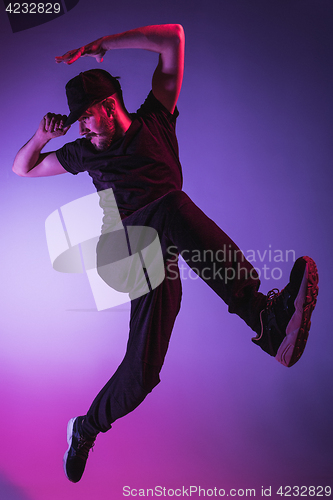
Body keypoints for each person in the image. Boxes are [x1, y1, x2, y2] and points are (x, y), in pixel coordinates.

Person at [12, 24, 318, 483]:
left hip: (164, 250)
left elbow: (172, 38)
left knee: (142, 374)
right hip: (123, 255)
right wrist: (40, 136)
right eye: (77, 123)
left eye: (87, 118)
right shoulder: (85, 153)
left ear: (109, 106)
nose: (83, 129)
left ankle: (86, 428)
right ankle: (264, 319)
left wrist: (104, 44)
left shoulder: (156, 118)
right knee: (173, 202)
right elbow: (23, 167)